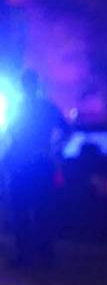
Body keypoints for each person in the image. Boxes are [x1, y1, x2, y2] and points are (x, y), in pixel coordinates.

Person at [1, 70, 68, 268]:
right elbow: (67, 130)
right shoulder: (40, 108)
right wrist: (54, 149)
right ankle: (38, 254)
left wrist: (53, 149)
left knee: (31, 210)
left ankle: (33, 255)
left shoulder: (31, 108)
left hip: (29, 165)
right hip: (32, 164)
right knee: (33, 210)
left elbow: (66, 130)